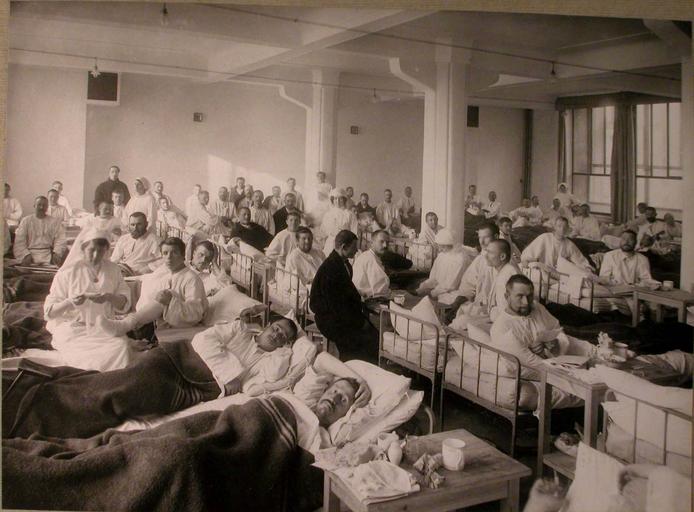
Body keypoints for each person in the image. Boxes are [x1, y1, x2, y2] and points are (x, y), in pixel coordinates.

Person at [490, 274, 590, 409]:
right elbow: (532, 363)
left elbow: (557, 329)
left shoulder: (537, 308)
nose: (526, 302)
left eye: (529, 296)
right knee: (589, 383)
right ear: (507, 297)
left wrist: (555, 343)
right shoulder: (502, 327)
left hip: (559, 359)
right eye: (520, 296)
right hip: (544, 369)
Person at [44, 228, 135, 372]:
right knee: (86, 355)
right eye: (91, 250)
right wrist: (71, 302)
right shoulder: (67, 272)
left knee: (120, 347)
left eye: (101, 251)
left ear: (106, 250)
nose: (96, 255)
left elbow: (124, 304)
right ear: (83, 248)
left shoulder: (113, 270)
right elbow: (49, 312)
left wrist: (109, 297)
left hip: (104, 329)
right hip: (73, 329)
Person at [99, 237, 208, 336]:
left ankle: (126, 324)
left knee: (167, 294)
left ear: (183, 255)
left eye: (174, 253)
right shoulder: (164, 271)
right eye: (165, 253)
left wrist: (171, 301)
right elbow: (146, 283)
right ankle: (126, 322)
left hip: (180, 322)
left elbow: (195, 313)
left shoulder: (191, 279)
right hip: (153, 320)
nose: (169, 257)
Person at [310, 230, 379, 361]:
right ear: (343, 247)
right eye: (354, 247)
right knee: (359, 344)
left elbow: (346, 294)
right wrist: (359, 322)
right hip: (330, 319)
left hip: (342, 314)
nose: (357, 250)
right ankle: (350, 366)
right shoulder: (330, 269)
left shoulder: (344, 263)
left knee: (374, 334)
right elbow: (336, 305)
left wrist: (361, 308)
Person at [449, 239, 520, 329]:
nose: (485, 256)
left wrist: (489, 316)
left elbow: (508, 312)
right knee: (462, 319)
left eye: (490, 253)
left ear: (502, 256)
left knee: (461, 323)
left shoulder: (508, 274)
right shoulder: (501, 271)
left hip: (505, 323)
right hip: (496, 316)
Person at [598, 230, 653, 315]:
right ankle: (639, 316)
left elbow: (647, 280)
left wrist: (635, 287)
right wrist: (621, 286)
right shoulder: (610, 256)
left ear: (635, 242)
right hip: (615, 289)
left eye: (630, 239)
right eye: (624, 239)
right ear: (620, 240)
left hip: (634, 290)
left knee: (653, 305)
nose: (626, 242)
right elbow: (603, 279)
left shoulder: (643, 259)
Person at [62, 200, 123, 269]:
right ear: (99, 209)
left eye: (110, 209)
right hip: (92, 244)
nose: (108, 211)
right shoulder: (92, 218)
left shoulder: (115, 220)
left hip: (108, 246)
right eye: (105, 209)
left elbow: (122, 234)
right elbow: (78, 224)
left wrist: (119, 232)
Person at [450, 222, 500, 300]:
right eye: (480, 237)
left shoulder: (504, 259)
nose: (481, 242)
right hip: (479, 301)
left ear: (496, 237)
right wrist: (465, 297)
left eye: (486, 237)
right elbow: (468, 284)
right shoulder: (480, 259)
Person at [521, 216, 591, 272]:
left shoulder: (569, 244)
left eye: (564, 227)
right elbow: (529, 252)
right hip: (544, 270)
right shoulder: (545, 237)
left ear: (567, 229)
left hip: (559, 273)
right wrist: (526, 260)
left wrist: (587, 268)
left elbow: (579, 259)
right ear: (555, 227)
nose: (562, 229)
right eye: (559, 226)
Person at [416, 229, 472, 298]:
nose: (440, 249)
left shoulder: (460, 259)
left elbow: (451, 285)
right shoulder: (442, 255)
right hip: (440, 289)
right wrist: (425, 285)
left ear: (450, 244)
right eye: (439, 246)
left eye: (443, 246)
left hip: (455, 292)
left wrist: (432, 292)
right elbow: (434, 277)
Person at [14, 195, 67, 266]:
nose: (41, 207)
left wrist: (56, 253)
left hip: (49, 255)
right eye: (39, 205)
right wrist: (25, 255)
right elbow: (19, 241)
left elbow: (61, 239)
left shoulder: (54, 222)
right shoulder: (26, 221)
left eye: (44, 205)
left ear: (47, 207)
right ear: (34, 206)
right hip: (29, 255)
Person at [352, 230, 390, 298]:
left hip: (361, 295)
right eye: (381, 241)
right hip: (363, 299)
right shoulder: (371, 259)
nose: (385, 245)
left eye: (387, 242)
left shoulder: (367, 255)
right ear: (372, 243)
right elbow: (380, 289)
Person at [321, 188, 358, 255]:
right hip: (330, 244)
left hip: (345, 244)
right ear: (332, 200)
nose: (337, 201)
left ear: (344, 199)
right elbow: (323, 232)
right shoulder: (328, 214)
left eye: (340, 198)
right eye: (335, 198)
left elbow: (354, 232)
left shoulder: (349, 214)